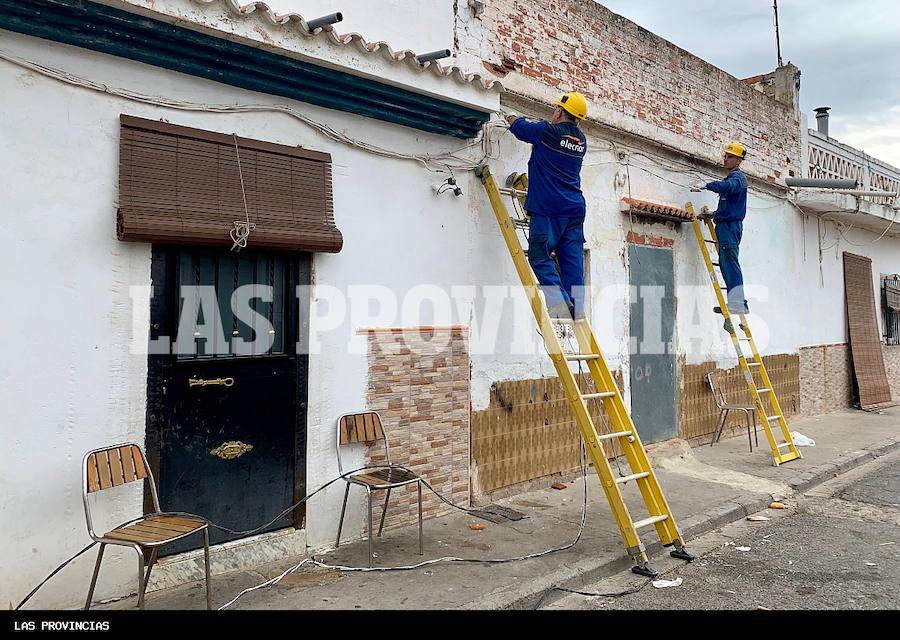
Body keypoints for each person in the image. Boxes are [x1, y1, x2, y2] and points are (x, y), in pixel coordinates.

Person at [506, 92, 588, 321]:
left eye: (555, 109)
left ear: (560, 111)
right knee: (572, 261)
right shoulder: (582, 142)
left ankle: (560, 305)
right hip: (574, 211)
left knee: (540, 257)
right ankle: (577, 307)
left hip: (548, 208)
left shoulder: (546, 131)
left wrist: (511, 117)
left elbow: (521, 129)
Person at [691, 142, 749, 316]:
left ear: (738, 161)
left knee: (730, 264)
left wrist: (707, 185)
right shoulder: (733, 178)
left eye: (730, 156)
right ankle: (735, 301)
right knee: (726, 263)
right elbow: (730, 206)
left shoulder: (737, 178)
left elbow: (728, 187)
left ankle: (738, 303)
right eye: (725, 155)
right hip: (726, 224)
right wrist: (713, 214)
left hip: (729, 227)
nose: (726, 159)